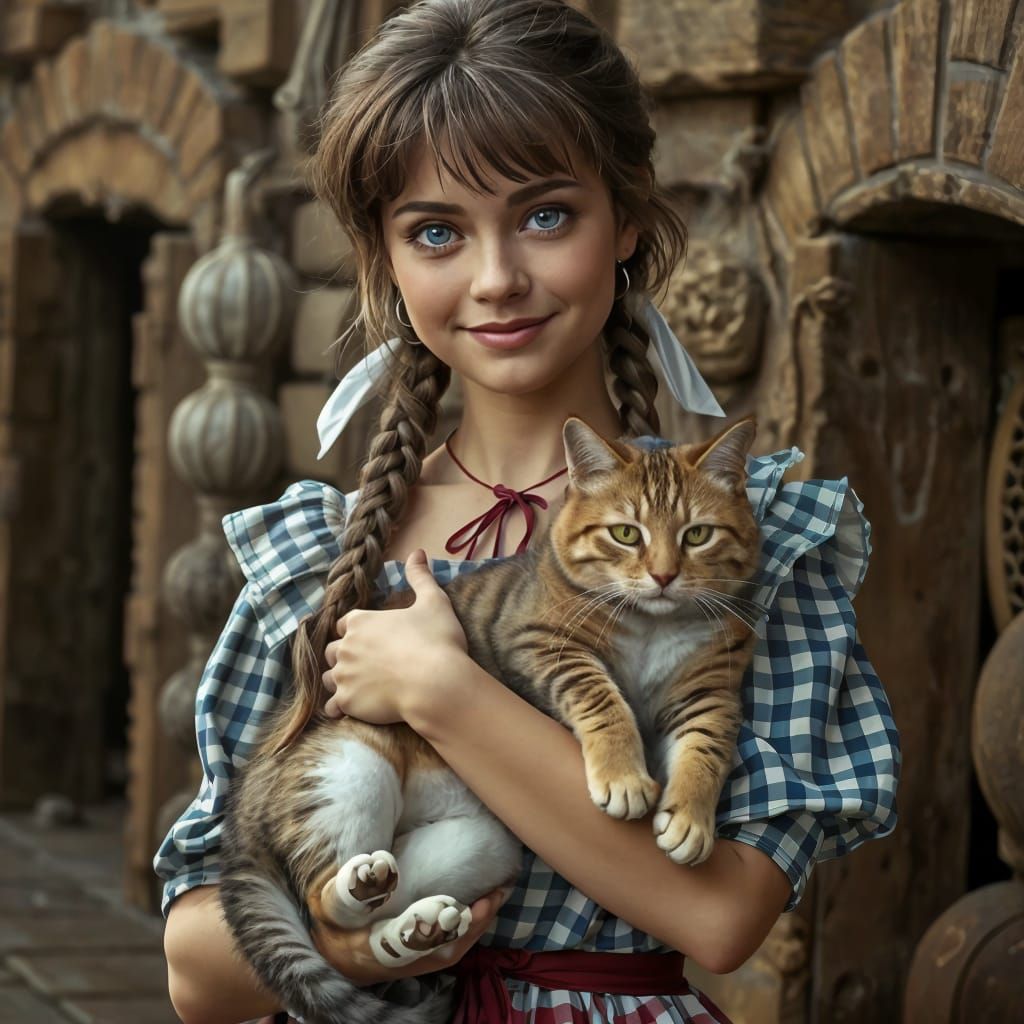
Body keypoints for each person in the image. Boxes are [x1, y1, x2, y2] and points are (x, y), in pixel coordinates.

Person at [155, 1, 900, 1021]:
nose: (497, 278)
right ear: (384, 256)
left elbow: (723, 914)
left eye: (546, 214)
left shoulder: (748, 538)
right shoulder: (312, 557)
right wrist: (354, 945)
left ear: (628, 217)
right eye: (435, 232)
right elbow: (195, 967)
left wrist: (445, 694)